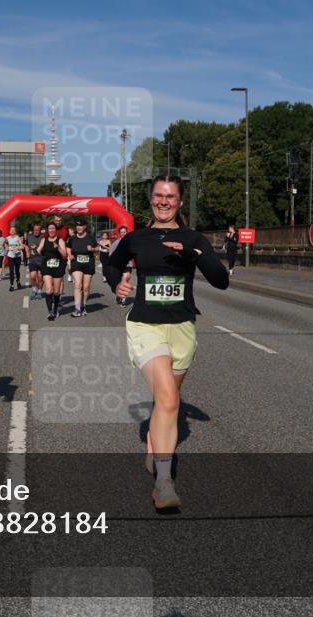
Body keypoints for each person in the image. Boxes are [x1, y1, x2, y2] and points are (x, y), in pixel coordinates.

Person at [104, 174, 229, 510]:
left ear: (180, 201)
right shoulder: (136, 238)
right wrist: (118, 283)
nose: (164, 201)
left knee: (165, 403)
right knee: (170, 401)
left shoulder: (193, 238)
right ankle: (164, 483)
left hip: (182, 328)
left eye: (170, 196)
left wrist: (194, 253)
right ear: (151, 199)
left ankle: (152, 442)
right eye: (158, 195)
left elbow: (221, 281)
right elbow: (110, 264)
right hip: (146, 325)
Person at [67, 218, 98, 317]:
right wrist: (69, 254)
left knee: (86, 287)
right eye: (77, 226)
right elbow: (68, 247)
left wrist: (92, 249)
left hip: (88, 264)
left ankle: (83, 305)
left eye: (80, 226)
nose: (78, 227)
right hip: (76, 264)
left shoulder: (91, 238)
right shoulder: (73, 238)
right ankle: (77, 308)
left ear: (85, 227)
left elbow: (97, 249)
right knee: (77, 285)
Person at [37, 221, 68, 321]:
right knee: (49, 289)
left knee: (57, 291)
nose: (51, 230)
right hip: (46, 267)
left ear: (56, 230)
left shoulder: (60, 241)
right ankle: (50, 311)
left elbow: (64, 254)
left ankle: (55, 309)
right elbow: (38, 250)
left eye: (53, 228)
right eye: (50, 228)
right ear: (47, 230)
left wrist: (58, 247)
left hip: (58, 267)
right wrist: (34, 249)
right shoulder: (44, 240)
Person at [110, 225, 132, 306]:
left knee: (125, 281)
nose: (123, 233)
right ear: (120, 233)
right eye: (122, 232)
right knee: (118, 282)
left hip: (128, 265)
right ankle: (118, 295)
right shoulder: (116, 243)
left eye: (124, 232)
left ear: (127, 232)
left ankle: (123, 300)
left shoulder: (131, 241)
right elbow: (111, 254)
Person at [24, 223, 44, 299]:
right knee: (32, 276)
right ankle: (34, 289)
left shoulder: (43, 237)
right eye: (35, 230)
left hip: (42, 260)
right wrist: (27, 253)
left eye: (38, 230)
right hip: (32, 260)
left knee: (40, 277)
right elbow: (26, 246)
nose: (36, 231)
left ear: (40, 230)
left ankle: (39, 291)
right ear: (33, 230)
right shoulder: (29, 237)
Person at [5, 225, 24, 291]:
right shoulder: (7, 238)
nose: (12, 231)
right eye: (11, 230)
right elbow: (6, 247)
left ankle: (18, 281)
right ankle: (12, 285)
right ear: (9, 232)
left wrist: (17, 248)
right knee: (11, 271)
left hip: (17, 256)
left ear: (15, 231)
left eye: (14, 230)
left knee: (17, 271)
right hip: (10, 256)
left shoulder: (18, 238)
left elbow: (22, 246)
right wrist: (10, 249)